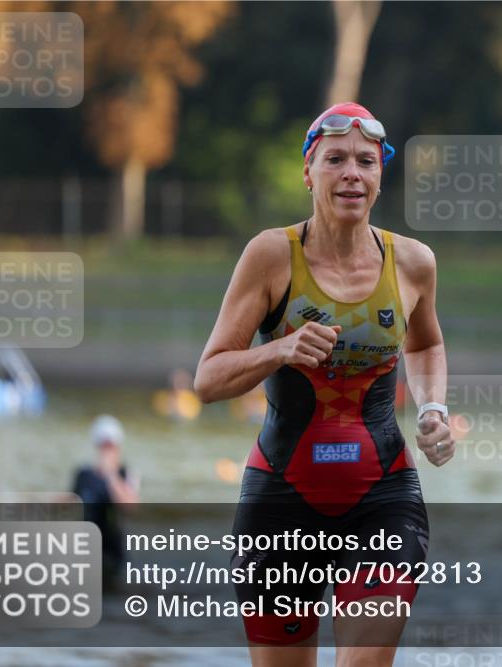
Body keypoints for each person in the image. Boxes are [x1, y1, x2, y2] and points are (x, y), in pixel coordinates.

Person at [194, 101, 454, 667]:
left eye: (366, 161)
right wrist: (280, 348)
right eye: (335, 160)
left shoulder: (413, 262)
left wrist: (433, 406)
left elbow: (426, 343)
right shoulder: (271, 255)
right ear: (308, 173)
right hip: (283, 497)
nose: (351, 174)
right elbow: (208, 380)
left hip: (383, 496)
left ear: (380, 177)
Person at [71, 415, 140, 583]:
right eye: (104, 446)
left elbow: (130, 506)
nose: (107, 451)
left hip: (114, 553)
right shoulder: (84, 474)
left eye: (111, 446)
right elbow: (70, 503)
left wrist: (110, 475)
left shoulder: (125, 474)